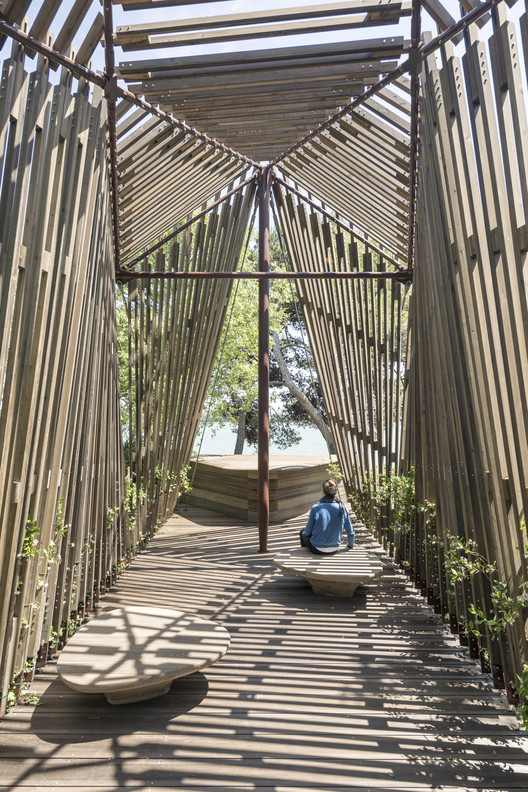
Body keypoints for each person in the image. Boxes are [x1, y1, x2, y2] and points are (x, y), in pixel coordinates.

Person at [300, 479, 355, 555]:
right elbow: (351, 532)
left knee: (302, 532)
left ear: (323, 491)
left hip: (316, 548)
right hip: (334, 548)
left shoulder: (315, 508)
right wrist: (350, 546)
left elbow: (308, 532)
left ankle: (304, 556)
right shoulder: (341, 507)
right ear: (336, 491)